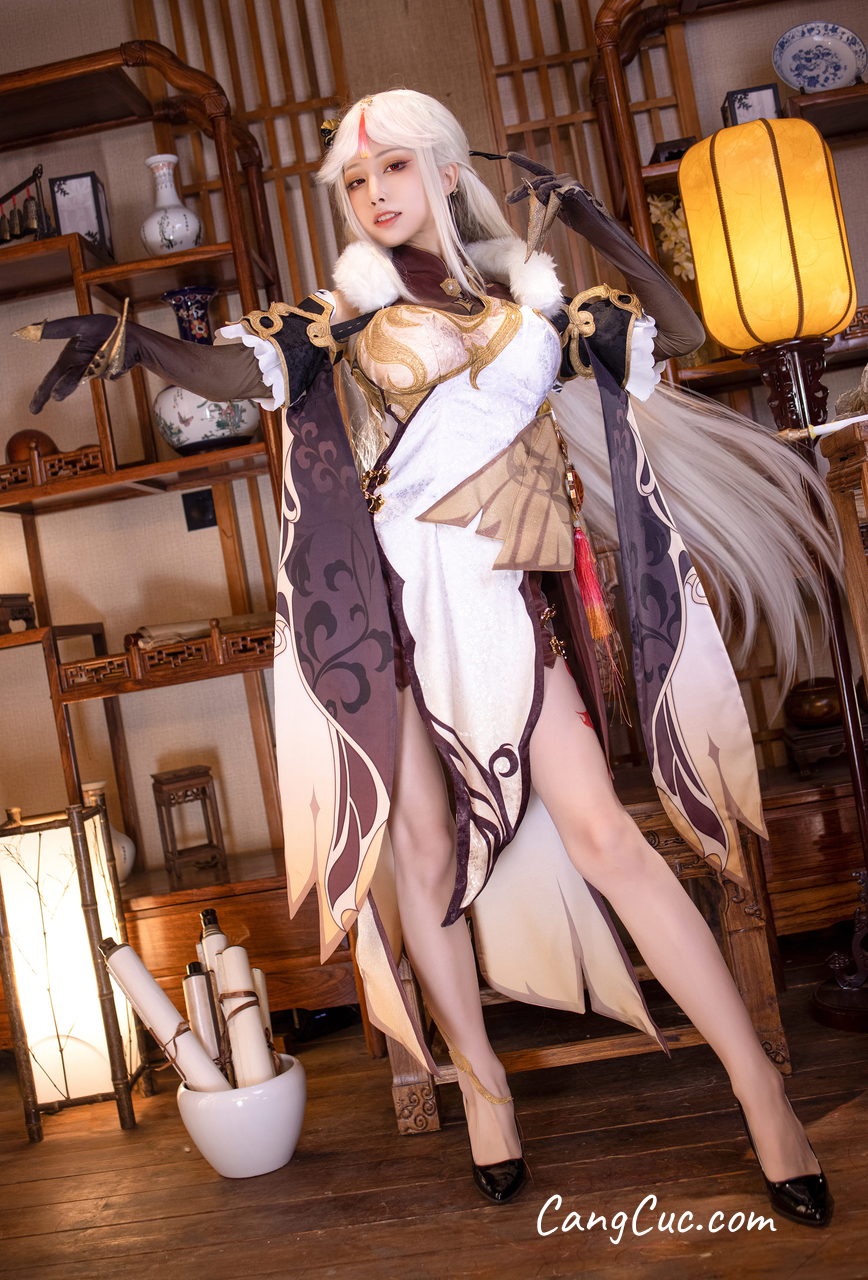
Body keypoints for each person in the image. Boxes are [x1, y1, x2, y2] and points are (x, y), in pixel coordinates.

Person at [22, 89, 838, 1226]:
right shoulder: (344, 316)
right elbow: (236, 378)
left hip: (507, 602)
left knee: (606, 835)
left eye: (394, 167)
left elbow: (681, 335)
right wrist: (133, 342)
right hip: (392, 609)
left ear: (446, 172)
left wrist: (599, 227)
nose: (374, 194)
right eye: (355, 182)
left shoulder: (533, 303)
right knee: (419, 846)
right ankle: (484, 1086)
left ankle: (758, 1088)